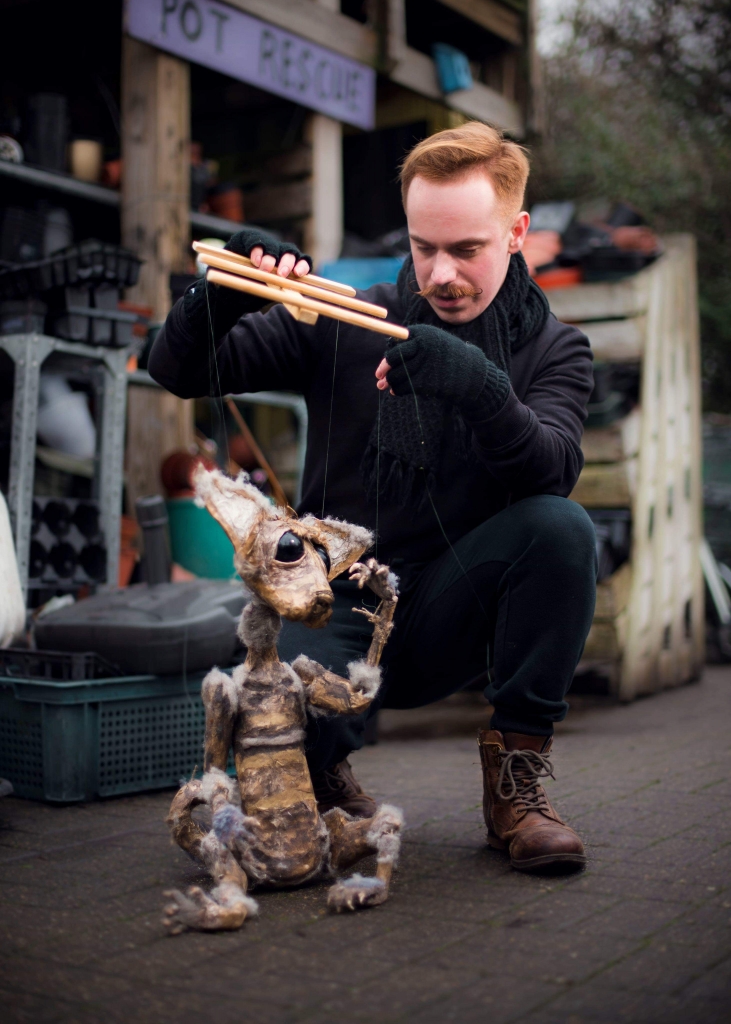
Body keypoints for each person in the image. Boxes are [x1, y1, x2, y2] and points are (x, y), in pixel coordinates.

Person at [149, 122, 596, 873]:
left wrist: (481, 388)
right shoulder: (348, 318)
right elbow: (179, 369)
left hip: (455, 623)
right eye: (425, 247)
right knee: (277, 746)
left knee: (560, 528)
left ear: (516, 232)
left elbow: (551, 469)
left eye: (467, 249)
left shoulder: (553, 349)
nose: (442, 273)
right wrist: (219, 291)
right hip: (339, 605)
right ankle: (321, 775)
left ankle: (514, 788)